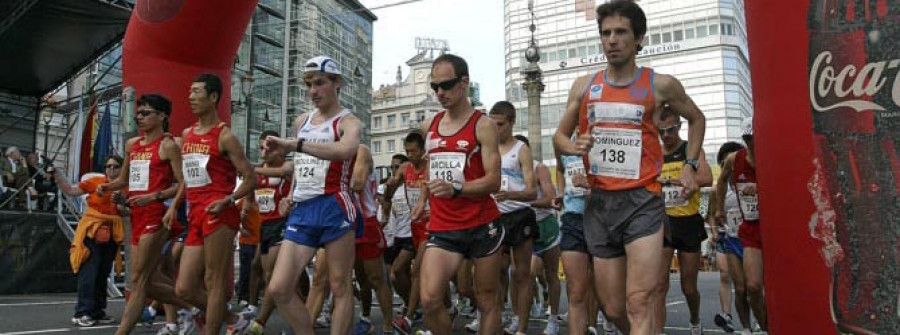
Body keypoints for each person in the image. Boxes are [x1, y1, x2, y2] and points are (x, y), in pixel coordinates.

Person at [553, 1, 707, 333]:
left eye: (621, 32)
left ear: (639, 39)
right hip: (599, 205)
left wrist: (690, 166)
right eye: (606, 33)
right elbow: (560, 137)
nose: (612, 40)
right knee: (612, 308)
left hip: (643, 203)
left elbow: (697, 119)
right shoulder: (584, 86)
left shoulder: (660, 84)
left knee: (638, 301)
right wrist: (573, 145)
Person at [262, 55, 362, 335]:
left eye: (319, 83)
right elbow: (302, 165)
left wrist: (296, 145)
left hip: (335, 204)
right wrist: (290, 192)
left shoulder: (348, 121)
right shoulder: (302, 121)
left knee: (340, 285)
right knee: (279, 287)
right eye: (308, 84)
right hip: (304, 209)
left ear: (336, 83)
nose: (312, 91)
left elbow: (345, 151)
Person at [413, 53, 503, 335]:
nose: (440, 93)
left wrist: (458, 189)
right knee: (429, 299)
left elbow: (494, 181)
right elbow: (431, 173)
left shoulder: (483, 125)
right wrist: (421, 201)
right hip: (444, 227)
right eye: (435, 87)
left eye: (447, 85)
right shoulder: (430, 126)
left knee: (487, 300)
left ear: (464, 83)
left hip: (481, 224)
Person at [97, 94, 194, 335]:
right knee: (145, 281)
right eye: (138, 113)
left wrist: (156, 198)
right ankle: (196, 307)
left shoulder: (168, 145)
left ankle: (121, 332)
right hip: (136, 214)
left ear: (162, 116)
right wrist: (107, 186)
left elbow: (183, 184)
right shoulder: (133, 146)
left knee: (139, 279)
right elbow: (124, 179)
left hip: (156, 215)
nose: (139, 117)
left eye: (145, 113)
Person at [173, 74, 258, 335]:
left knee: (214, 280)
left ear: (213, 97)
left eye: (197, 92)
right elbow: (187, 179)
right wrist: (172, 207)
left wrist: (228, 199)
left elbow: (250, 178)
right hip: (195, 213)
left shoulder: (225, 136)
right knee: (184, 288)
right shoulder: (186, 134)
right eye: (190, 91)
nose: (191, 97)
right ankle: (234, 318)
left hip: (220, 213)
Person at [653, 106, 713, 335]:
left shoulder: (691, 150)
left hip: (689, 223)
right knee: (659, 285)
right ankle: (658, 331)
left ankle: (695, 319)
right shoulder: (656, 154)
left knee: (689, 287)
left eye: (670, 130)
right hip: (663, 223)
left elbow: (707, 177)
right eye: (661, 132)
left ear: (679, 126)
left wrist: (688, 181)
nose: (666, 136)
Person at [54, 156, 125, 327]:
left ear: (122, 168)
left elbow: (126, 210)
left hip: (112, 233)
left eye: (116, 166)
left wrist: (122, 202)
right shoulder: (96, 181)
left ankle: (97, 311)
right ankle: (83, 312)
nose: (111, 169)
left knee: (102, 274)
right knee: (89, 272)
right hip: (92, 232)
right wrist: (56, 174)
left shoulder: (126, 186)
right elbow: (71, 190)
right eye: (108, 166)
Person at [486, 101, 537, 335]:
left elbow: (532, 192)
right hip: (494, 216)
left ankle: (522, 328)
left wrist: (510, 194)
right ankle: (495, 320)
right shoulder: (487, 149)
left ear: (511, 122)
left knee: (521, 274)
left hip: (519, 215)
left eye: (500, 125)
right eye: (492, 124)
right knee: (492, 273)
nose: (496, 129)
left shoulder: (521, 150)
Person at [715, 118, 767, 332]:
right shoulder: (735, 160)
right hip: (747, 230)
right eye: (748, 139)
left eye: (755, 138)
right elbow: (720, 182)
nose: (752, 142)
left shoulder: (773, 154)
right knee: (750, 287)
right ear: (745, 139)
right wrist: (718, 209)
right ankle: (761, 327)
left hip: (774, 229)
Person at [245, 130, 296, 334]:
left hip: (283, 224)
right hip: (265, 226)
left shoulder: (287, 166)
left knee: (275, 277)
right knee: (272, 276)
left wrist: (254, 170)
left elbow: (284, 173)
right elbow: (250, 189)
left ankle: (260, 323)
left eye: (269, 148)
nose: (264, 152)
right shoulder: (260, 170)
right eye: (261, 148)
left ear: (280, 149)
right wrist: (246, 205)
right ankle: (305, 314)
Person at [513, 135, 562, 335]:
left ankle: (553, 318)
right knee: (521, 273)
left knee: (551, 274)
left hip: (545, 225)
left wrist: (522, 201)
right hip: (524, 227)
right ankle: (519, 317)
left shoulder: (538, 168)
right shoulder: (506, 169)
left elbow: (549, 197)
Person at [387, 133, 431, 334]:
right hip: (413, 226)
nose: (411, 155)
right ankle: (447, 307)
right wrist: (391, 184)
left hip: (430, 225)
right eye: (407, 151)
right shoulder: (405, 169)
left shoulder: (430, 165)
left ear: (423, 149)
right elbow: (393, 184)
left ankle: (410, 318)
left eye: (414, 151)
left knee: (417, 271)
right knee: (396, 272)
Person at [351, 144, 395, 335]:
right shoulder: (335, 156)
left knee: (376, 278)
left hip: (367, 223)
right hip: (346, 224)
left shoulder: (361, 151)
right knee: (360, 278)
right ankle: (365, 318)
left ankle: (388, 325)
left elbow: (358, 184)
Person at [708, 141, 748, 334]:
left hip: (749, 239)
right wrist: (715, 232)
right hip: (727, 238)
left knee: (752, 284)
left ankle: (758, 320)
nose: (731, 165)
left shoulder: (749, 181)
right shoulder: (718, 190)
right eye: (726, 163)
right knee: (726, 276)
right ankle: (727, 316)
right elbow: (711, 213)